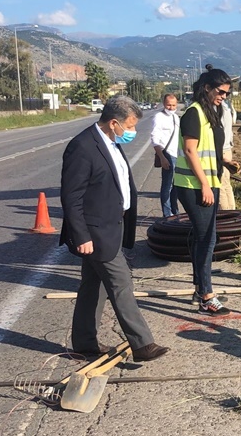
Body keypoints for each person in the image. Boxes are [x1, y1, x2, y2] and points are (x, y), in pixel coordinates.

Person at [60, 96, 170, 362]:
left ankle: (83, 344)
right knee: (121, 283)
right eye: (129, 127)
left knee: (92, 287)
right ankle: (142, 345)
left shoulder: (110, 142)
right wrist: (81, 236)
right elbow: (71, 197)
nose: (131, 132)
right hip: (96, 232)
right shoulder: (82, 147)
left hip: (113, 225)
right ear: (113, 123)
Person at [174, 68, 233, 316]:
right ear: (207, 88)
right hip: (194, 186)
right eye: (220, 92)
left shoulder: (212, 112)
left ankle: (201, 288)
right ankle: (207, 296)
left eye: (226, 93)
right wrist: (205, 185)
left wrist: (226, 164)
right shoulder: (193, 113)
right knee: (206, 238)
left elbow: (212, 148)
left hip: (210, 182)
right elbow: (190, 151)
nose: (223, 97)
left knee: (205, 237)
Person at [204, 65, 239, 211]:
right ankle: (232, 213)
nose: (224, 96)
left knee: (222, 185)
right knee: (226, 184)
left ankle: (227, 215)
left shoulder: (219, 109)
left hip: (222, 150)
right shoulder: (228, 108)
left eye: (225, 93)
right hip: (226, 148)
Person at [150, 94, 180, 217]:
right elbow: (154, 138)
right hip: (167, 154)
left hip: (177, 154)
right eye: (169, 105)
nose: (171, 107)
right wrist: (162, 157)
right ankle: (167, 215)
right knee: (167, 186)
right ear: (163, 103)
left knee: (176, 186)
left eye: (173, 105)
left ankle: (175, 212)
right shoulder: (159, 117)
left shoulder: (176, 117)